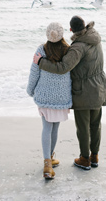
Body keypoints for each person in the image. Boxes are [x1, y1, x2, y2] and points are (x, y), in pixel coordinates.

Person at [34, 15, 106, 171]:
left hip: (83, 91)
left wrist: (41, 62)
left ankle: (84, 159)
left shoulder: (77, 47)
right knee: (96, 125)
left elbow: (62, 68)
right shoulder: (95, 38)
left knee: (83, 127)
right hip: (99, 87)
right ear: (84, 25)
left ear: (70, 30)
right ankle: (95, 156)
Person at [26, 22, 72, 180]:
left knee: (46, 127)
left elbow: (34, 71)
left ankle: (47, 163)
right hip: (61, 97)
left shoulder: (41, 50)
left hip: (45, 96)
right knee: (55, 128)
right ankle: (50, 158)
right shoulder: (68, 50)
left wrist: (30, 89)